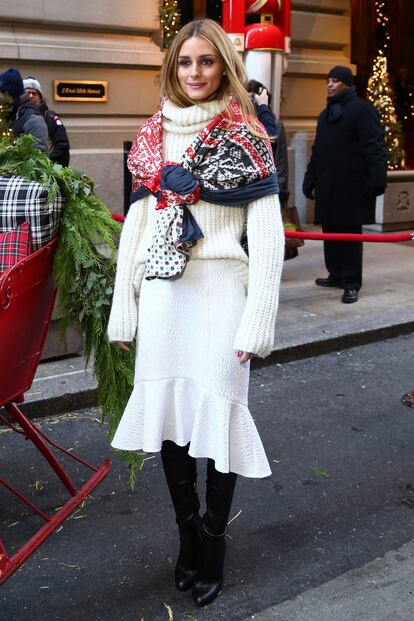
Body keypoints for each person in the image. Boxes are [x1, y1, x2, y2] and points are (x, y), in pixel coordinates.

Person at [107, 18, 284, 607]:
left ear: (225, 67)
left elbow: (267, 234)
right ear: (172, 68)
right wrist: (123, 310)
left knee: (219, 419)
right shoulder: (153, 135)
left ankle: (213, 541)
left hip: (219, 291)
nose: (195, 73)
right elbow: (137, 225)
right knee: (172, 422)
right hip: (162, 294)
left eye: (207, 62)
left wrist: (258, 321)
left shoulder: (247, 135)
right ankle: (186, 534)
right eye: (185, 62)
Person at [303, 65, 387, 304]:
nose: (330, 84)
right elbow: (318, 151)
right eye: (328, 80)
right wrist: (310, 179)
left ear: (348, 84)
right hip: (329, 186)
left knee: (350, 235)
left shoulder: (363, 110)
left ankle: (351, 282)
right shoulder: (325, 114)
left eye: (336, 80)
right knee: (330, 232)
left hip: (352, 186)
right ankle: (336, 274)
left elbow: (375, 146)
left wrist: (377, 178)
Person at [245, 78, 299, 260]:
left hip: (268, 189)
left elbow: (281, 160)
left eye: (254, 98)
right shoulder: (240, 123)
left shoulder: (274, 125)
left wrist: (282, 191)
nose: (251, 103)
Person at [23, 76, 70, 166]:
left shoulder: (51, 117)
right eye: (27, 93)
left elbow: (62, 146)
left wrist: (46, 163)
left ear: (40, 97)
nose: (31, 96)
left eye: (34, 93)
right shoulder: (18, 117)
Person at [0, 68, 48, 152]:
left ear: (9, 94)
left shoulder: (32, 119)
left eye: (1, 93)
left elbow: (38, 156)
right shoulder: (9, 115)